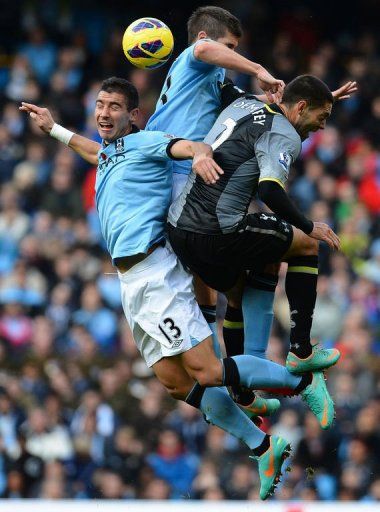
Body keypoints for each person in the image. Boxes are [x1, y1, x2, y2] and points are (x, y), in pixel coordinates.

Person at [21, 77, 335, 500]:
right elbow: (93, 152)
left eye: (114, 106)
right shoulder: (113, 153)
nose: (103, 113)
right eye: (99, 104)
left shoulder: (147, 141)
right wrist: (54, 128)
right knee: (176, 383)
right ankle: (264, 448)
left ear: (134, 115)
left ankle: (303, 383)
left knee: (206, 370)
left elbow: (184, 147)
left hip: (156, 273)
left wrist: (201, 153)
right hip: (130, 284)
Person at [167, 75, 342, 383]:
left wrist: (326, 97)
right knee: (305, 244)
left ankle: (241, 389)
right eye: (322, 116)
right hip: (218, 230)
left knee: (238, 291)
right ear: (300, 107)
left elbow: (224, 84)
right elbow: (270, 191)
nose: (323, 126)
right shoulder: (283, 133)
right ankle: (301, 351)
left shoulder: (243, 102)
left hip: (179, 230)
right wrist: (308, 226)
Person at [145, 6, 285, 384]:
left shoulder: (213, 79)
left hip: (178, 171)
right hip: (176, 169)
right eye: (230, 46)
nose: (232, 54)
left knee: (213, 278)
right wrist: (258, 68)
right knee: (218, 266)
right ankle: (237, 368)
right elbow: (205, 51)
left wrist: (305, 106)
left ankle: (236, 373)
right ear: (207, 38)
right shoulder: (196, 59)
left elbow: (250, 107)